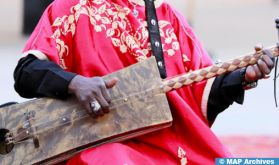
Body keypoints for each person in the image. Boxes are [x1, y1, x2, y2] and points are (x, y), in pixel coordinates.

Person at [14, 0, 275, 164]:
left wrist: (243, 76)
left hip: (168, 143)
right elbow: (27, 71)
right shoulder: (72, 8)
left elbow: (200, 92)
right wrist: (76, 83)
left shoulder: (167, 17)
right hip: (99, 143)